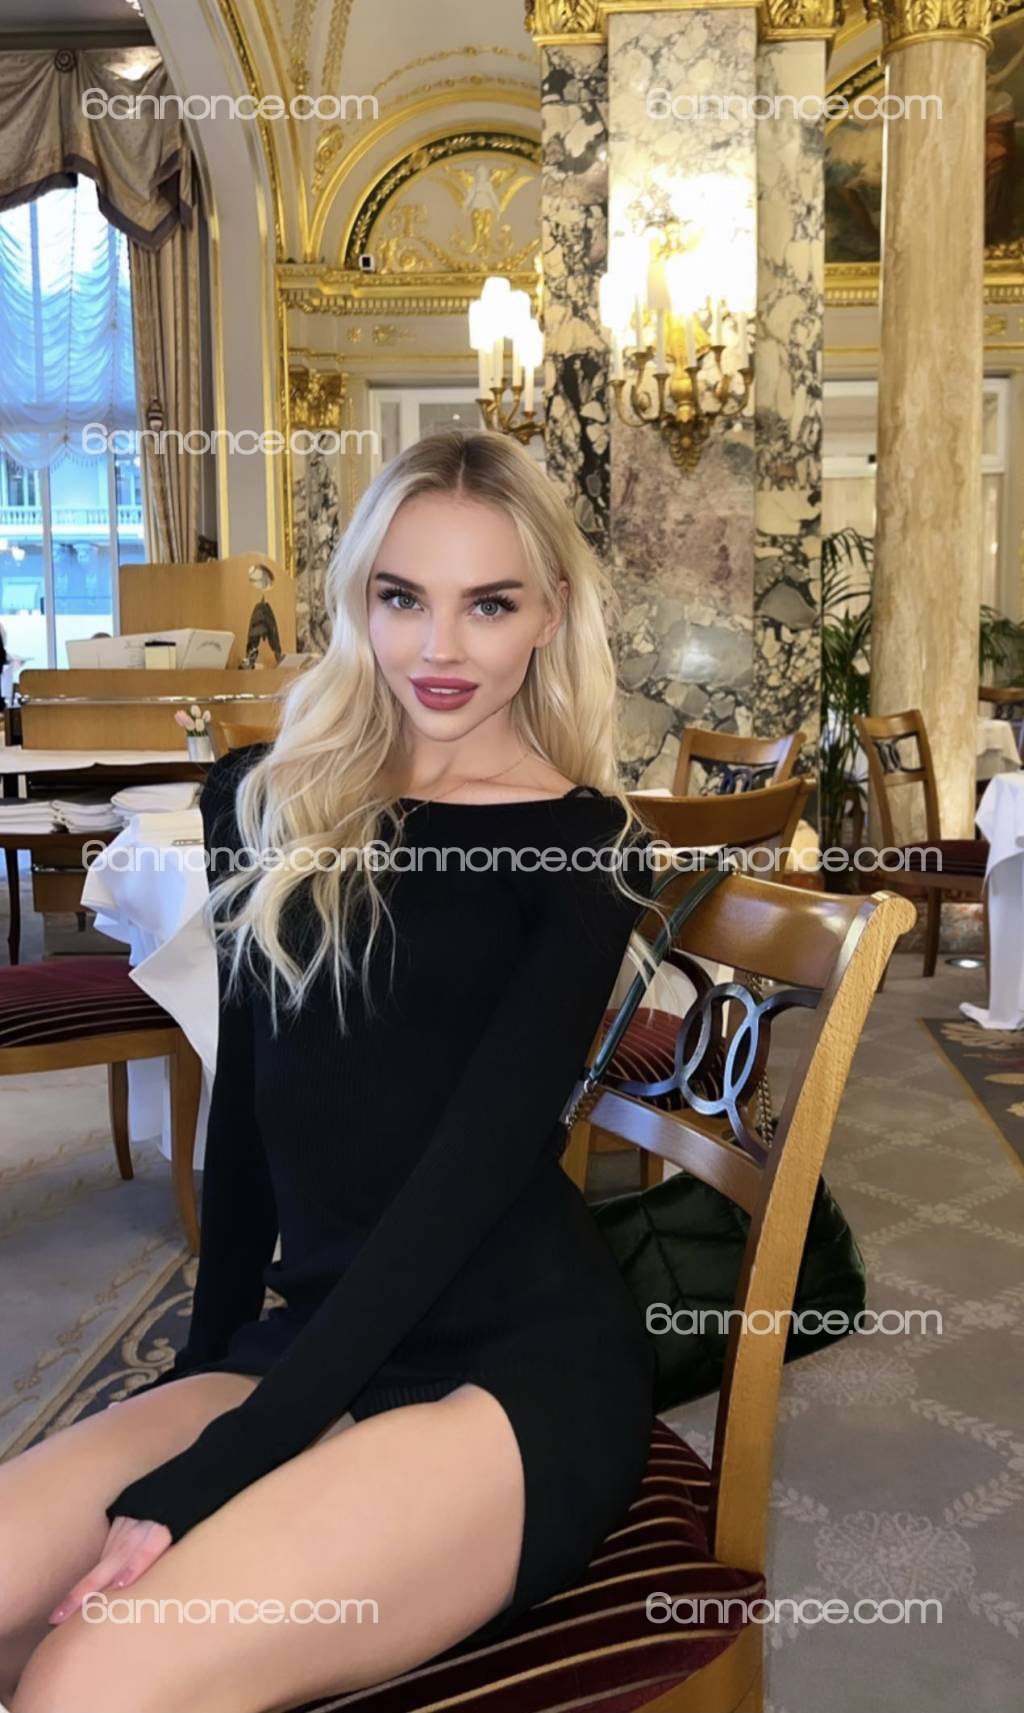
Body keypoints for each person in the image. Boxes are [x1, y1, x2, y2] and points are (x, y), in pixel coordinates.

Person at [2, 430, 663, 1713]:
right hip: (310, 1336)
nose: (439, 647)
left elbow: (461, 1187)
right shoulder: (265, 800)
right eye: (403, 597)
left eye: (489, 604)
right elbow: (248, 1126)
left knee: (85, 1684)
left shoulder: (583, 849)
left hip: (510, 1370)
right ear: (359, 599)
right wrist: (205, 1372)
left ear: (550, 614)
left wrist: (225, 1463)